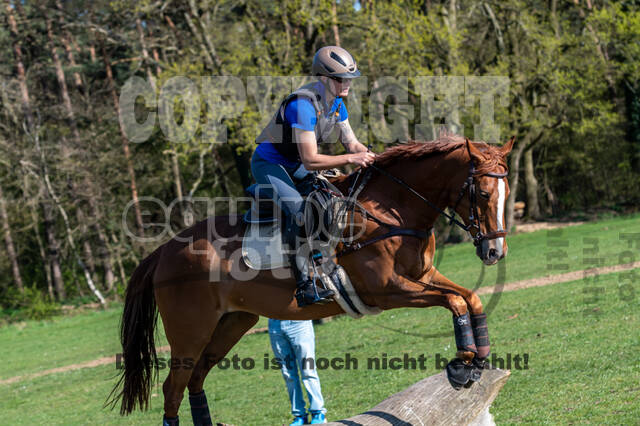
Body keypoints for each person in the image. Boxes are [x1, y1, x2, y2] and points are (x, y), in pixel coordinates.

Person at [251, 46, 376, 307]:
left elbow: (351, 144)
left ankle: (326, 262)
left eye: (350, 78)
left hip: (296, 165)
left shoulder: (337, 104)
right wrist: (351, 159)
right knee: (299, 210)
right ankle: (305, 285)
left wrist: (378, 159)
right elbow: (311, 160)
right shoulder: (302, 106)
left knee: (331, 200)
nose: (347, 84)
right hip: (270, 164)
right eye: (341, 78)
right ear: (324, 79)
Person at [269, 319, 327, 425]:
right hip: (275, 324)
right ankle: (299, 415)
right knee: (288, 375)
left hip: (298, 322)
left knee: (308, 371)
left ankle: (318, 412)